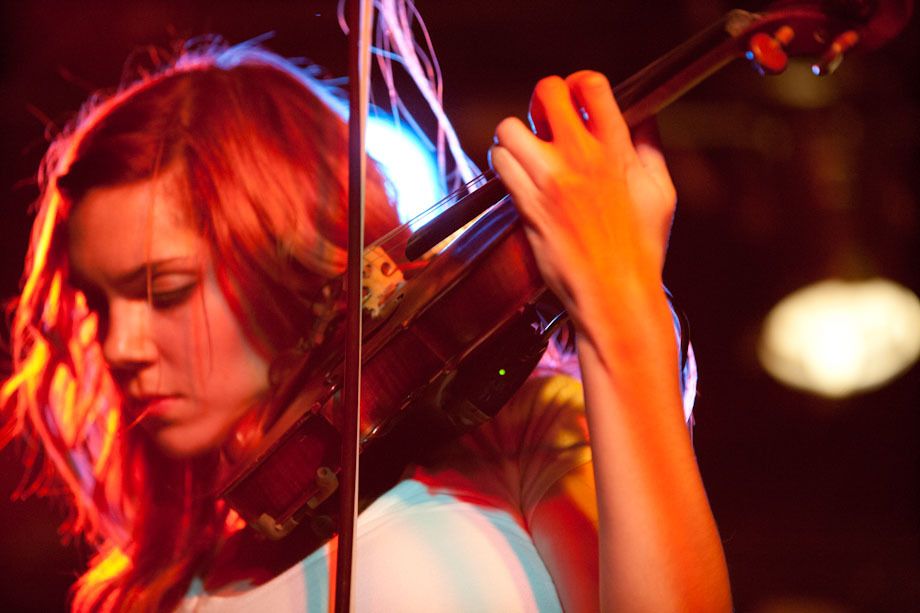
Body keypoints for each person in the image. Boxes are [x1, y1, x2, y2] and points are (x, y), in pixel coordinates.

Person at [1, 33, 731, 612]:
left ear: (279, 260)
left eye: (164, 289)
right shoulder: (152, 589)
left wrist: (618, 299)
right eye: (97, 304)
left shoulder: (520, 438)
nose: (118, 346)